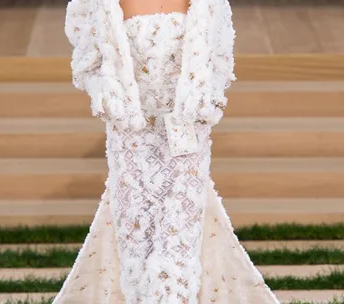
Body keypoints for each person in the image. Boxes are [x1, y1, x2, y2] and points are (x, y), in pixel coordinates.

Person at [53, 0, 281, 303]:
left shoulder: (208, 4)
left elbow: (220, 59)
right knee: (136, 243)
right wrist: (109, 99)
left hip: (185, 138)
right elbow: (87, 61)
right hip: (131, 139)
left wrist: (205, 102)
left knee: (178, 241)